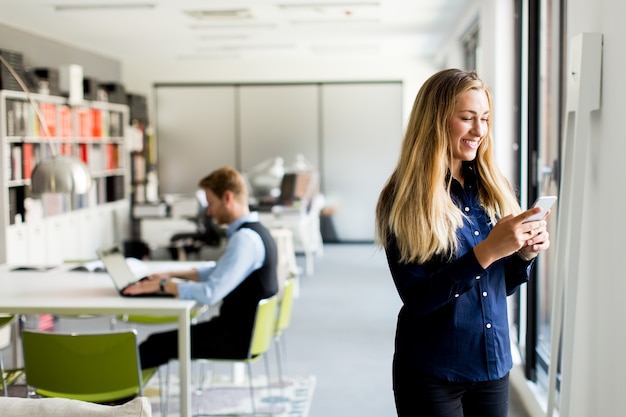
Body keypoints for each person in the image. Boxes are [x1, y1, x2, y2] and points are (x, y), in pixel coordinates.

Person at [374, 69, 551, 417]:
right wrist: (487, 252)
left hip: (492, 362)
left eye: (484, 118)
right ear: (436, 122)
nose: (479, 130)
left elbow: (497, 286)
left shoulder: (492, 188)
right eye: (467, 118)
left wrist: (523, 255)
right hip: (432, 370)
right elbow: (419, 300)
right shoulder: (403, 199)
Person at [123, 166, 278, 368]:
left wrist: (164, 285)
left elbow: (211, 293)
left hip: (236, 337)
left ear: (228, 198)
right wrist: (173, 274)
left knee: (156, 344)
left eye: (211, 203)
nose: (209, 211)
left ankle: (117, 398)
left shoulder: (244, 240)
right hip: (245, 331)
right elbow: (220, 271)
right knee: (159, 342)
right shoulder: (256, 232)